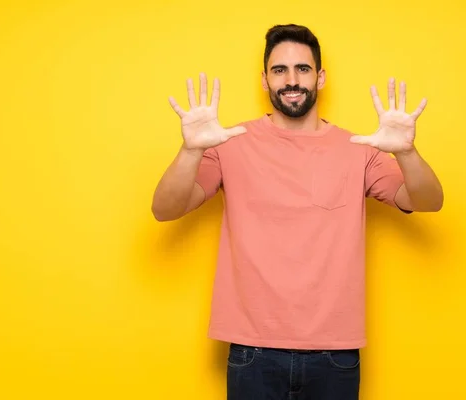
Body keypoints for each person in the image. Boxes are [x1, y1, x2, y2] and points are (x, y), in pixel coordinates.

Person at [152, 23, 443, 400]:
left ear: (320, 78)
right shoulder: (228, 144)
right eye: (280, 70)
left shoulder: (358, 148)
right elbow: (165, 209)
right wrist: (190, 150)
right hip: (252, 352)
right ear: (265, 80)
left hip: (335, 354)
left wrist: (406, 153)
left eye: (303, 69)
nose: (292, 80)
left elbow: (427, 201)